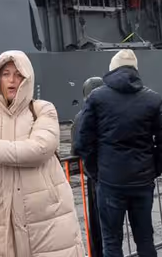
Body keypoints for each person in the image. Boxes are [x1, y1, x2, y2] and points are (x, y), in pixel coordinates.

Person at [0, 51, 83, 257]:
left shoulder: (43, 109)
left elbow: (39, 148)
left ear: (27, 79)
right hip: (4, 223)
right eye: (6, 74)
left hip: (47, 219)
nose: (12, 80)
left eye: (19, 74)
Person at [73, 49, 162, 257]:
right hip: (142, 181)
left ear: (112, 69)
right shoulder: (152, 99)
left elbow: (83, 141)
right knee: (145, 239)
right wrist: (153, 169)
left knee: (111, 242)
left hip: (110, 182)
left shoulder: (97, 97)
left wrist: (97, 172)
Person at [70, 77, 105, 257]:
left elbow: (75, 148)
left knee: (98, 222)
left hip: (95, 174)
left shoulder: (82, 116)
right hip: (116, 172)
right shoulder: (113, 111)